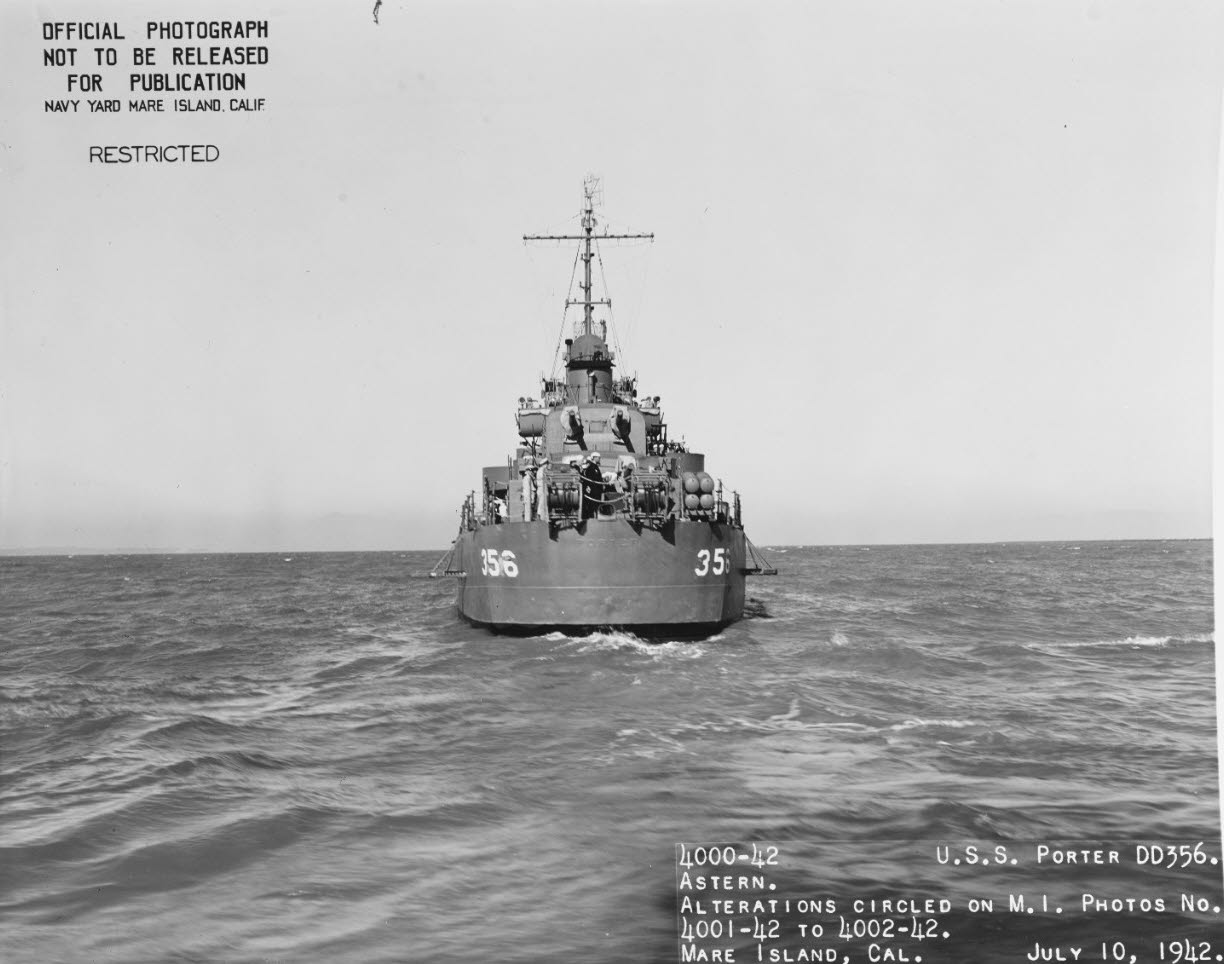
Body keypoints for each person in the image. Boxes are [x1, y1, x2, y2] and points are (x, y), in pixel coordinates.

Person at [579, 452, 603, 520]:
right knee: (592, 506)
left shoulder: (595, 466)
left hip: (597, 490)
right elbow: (589, 478)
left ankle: (595, 518)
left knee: (596, 506)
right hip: (593, 490)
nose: (599, 459)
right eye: (598, 458)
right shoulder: (591, 467)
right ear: (595, 458)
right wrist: (589, 487)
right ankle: (592, 519)